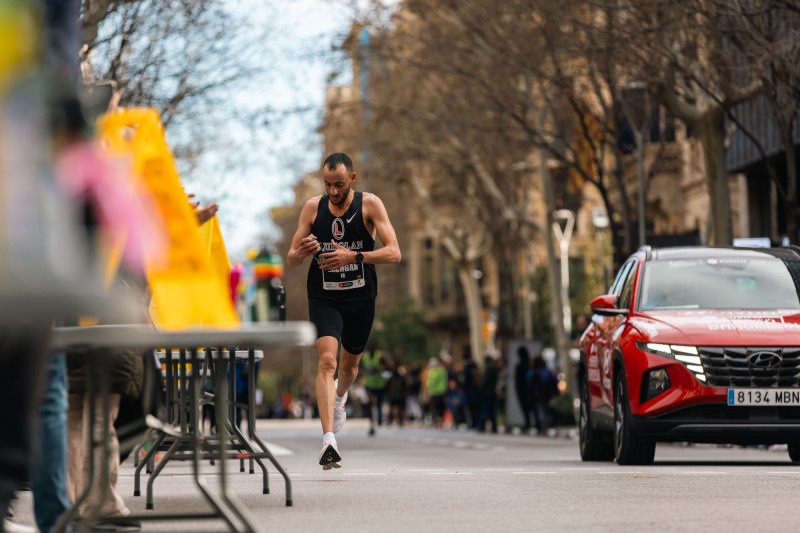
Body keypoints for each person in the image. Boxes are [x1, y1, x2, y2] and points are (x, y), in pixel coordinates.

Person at [287, 152, 401, 470]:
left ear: (352, 179)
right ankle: (328, 442)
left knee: (348, 370)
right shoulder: (313, 208)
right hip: (324, 297)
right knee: (327, 361)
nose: (333, 191)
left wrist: (353, 257)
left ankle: (340, 398)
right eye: (327, 184)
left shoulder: (370, 205)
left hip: (361, 297)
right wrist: (302, 251)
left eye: (338, 184)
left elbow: (394, 252)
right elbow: (292, 259)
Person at [361, 340, 388, 436]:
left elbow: (388, 366)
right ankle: (371, 424)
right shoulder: (364, 357)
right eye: (369, 345)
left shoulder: (380, 356)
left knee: (379, 403)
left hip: (379, 384)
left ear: (375, 346)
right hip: (369, 384)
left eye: (373, 345)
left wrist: (380, 368)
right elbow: (359, 367)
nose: (371, 347)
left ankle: (380, 416)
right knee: (370, 403)